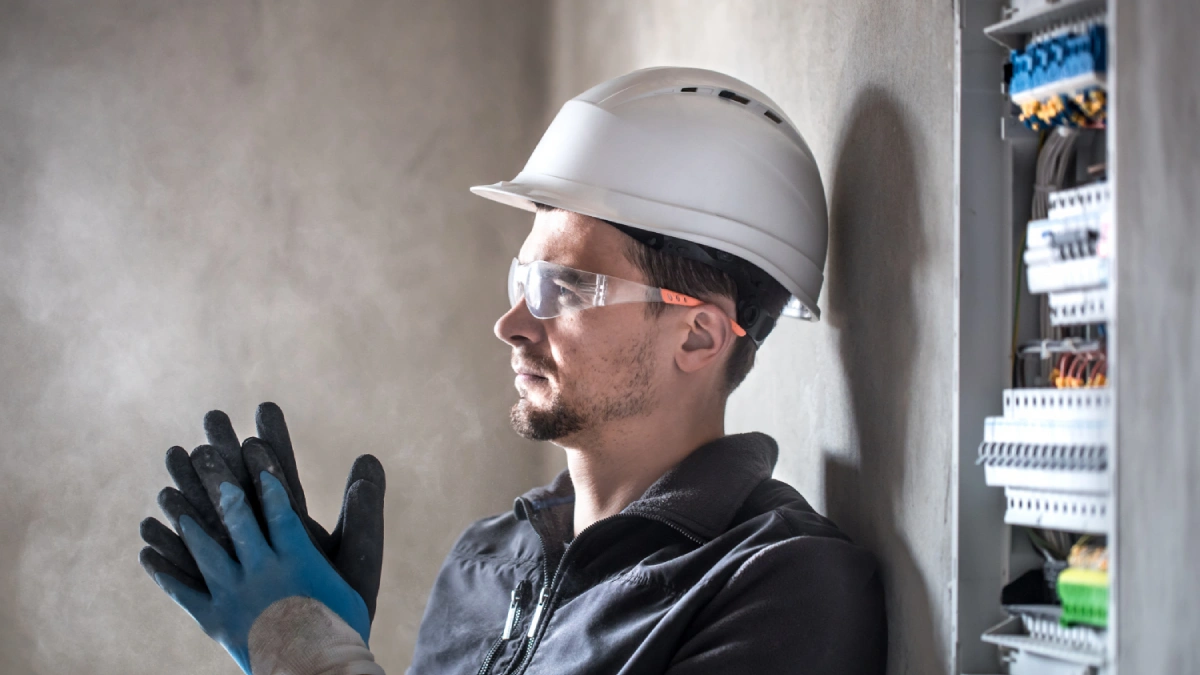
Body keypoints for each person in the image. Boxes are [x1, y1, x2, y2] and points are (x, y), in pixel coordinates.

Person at [138, 66, 887, 675]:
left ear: (697, 335)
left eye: (562, 290)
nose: (512, 324)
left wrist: (312, 657)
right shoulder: (484, 563)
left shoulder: (781, 589)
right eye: (521, 281)